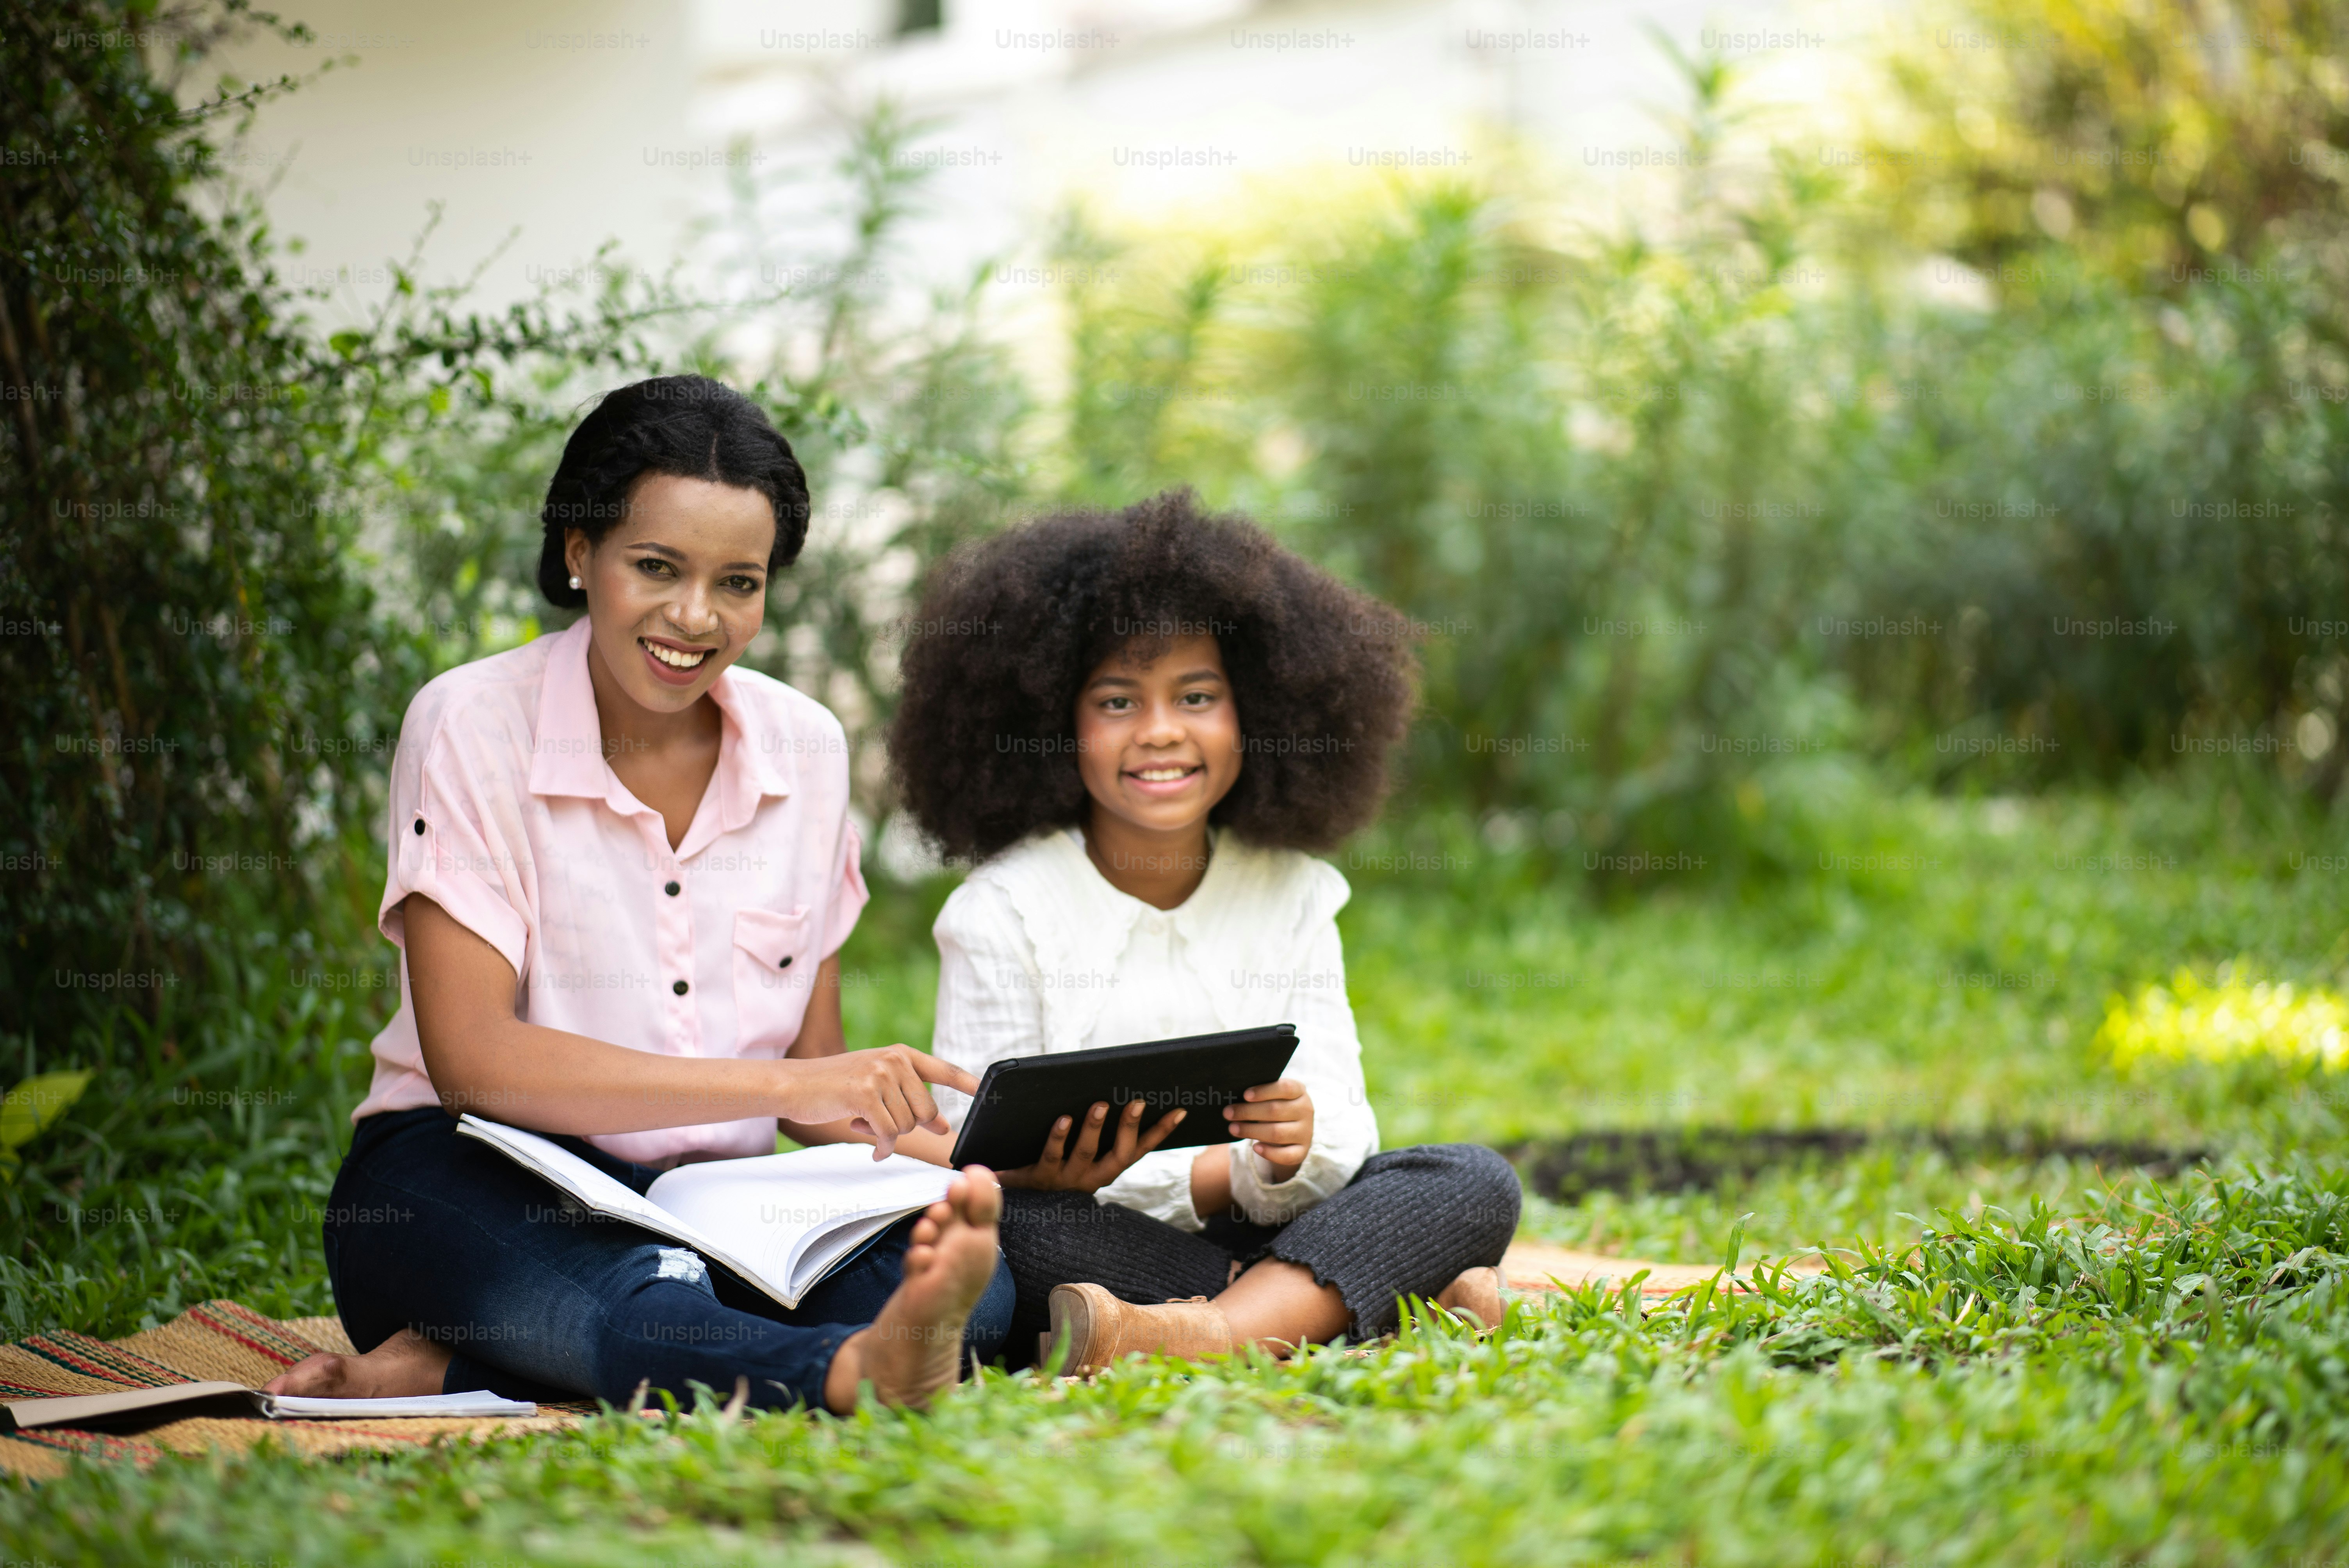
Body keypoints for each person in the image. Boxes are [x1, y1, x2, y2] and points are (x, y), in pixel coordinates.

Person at [266, 376, 1009, 1415]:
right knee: (640, 1295)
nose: (695, 618)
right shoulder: (471, 726)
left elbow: (818, 1084)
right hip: (475, 1175)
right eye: (656, 568)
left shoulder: (807, 747)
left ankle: (466, 1368)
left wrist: (1006, 1162)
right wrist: (782, 1093)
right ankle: (844, 1373)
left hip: (719, 1206)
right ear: (579, 553)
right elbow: (475, 1063)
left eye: (738, 583)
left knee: (977, 1293)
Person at [837, 489, 1520, 1371]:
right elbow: (976, 1159)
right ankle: (1363, 1303)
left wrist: (1288, 1152)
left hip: (1268, 1218)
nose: (1160, 733)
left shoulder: (1298, 893)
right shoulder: (1000, 910)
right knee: (1008, 1235)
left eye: (1196, 696)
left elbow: (1346, 1133)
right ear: (1056, 724)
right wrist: (1164, 1176)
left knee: (1467, 1179)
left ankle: (1205, 1333)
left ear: (1256, 715)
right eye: (1117, 702)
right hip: (1088, 1230)